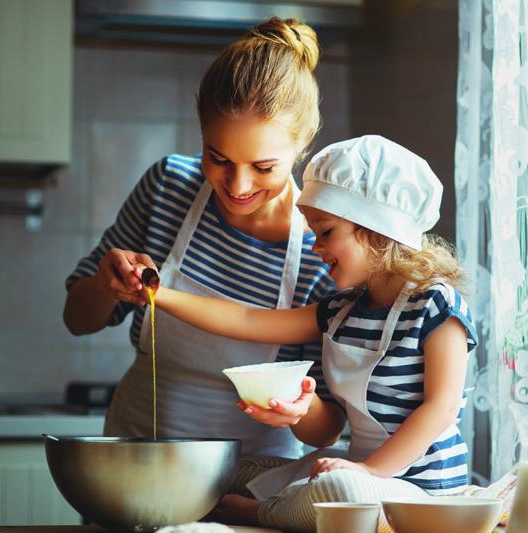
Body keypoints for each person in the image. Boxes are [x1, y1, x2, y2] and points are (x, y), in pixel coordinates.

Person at [144, 135, 478, 533]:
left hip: (422, 495)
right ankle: (283, 502)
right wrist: (156, 294)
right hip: (360, 473)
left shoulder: (436, 305)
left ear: (376, 228)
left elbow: (440, 408)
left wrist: (369, 470)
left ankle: (259, 513)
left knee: (341, 488)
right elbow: (249, 320)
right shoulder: (342, 310)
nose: (316, 246)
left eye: (326, 232)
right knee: (237, 468)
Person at [63, 17, 339, 463]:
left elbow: (327, 428)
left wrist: (299, 410)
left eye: (264, 167)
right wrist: (103, 284)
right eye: (218, 157)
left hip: (251, 486)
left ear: (302, 146)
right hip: (134, 460)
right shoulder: (169, 186)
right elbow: (77, 319)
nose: (237, 184)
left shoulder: (321, 245)